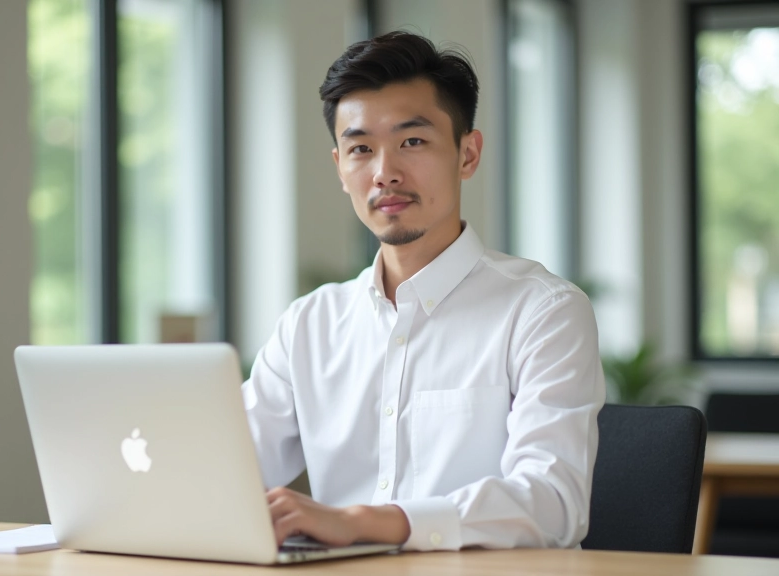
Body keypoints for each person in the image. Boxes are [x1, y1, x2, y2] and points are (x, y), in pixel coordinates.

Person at [241, 31, 606, 552]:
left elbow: (553, 503)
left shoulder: (543, 312)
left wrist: (367, 523)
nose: (385, 173)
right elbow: (225, 470)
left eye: (412, 141)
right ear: (340, 170)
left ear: (467, 154)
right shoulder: (308, 324)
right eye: (360, 149)